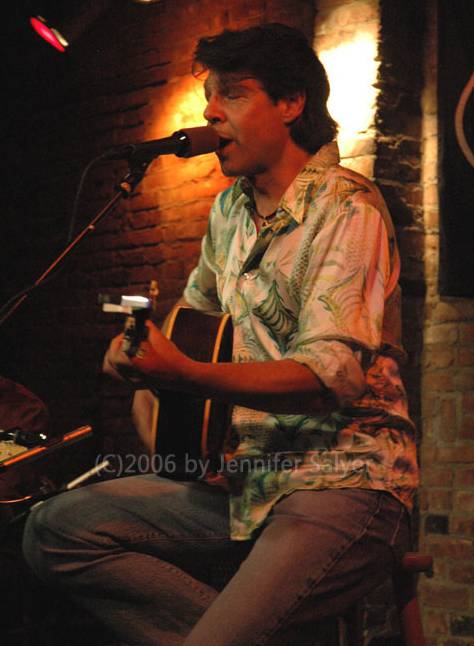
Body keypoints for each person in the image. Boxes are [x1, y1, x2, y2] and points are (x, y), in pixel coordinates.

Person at [22, 23, 419, 646]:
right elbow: (193, 329)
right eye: (210, 94)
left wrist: (184, 374)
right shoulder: (229, 211)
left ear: (292, 104)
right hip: (246, 480)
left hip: (344, 481)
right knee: (56, 528)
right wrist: (140, 357)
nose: (209, 110)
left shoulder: (349, 207)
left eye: (232, 92)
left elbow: (328, 378)